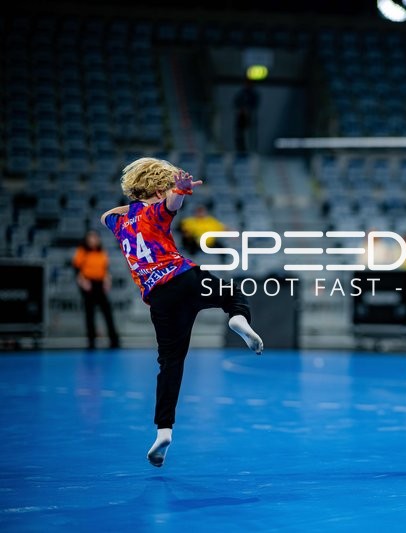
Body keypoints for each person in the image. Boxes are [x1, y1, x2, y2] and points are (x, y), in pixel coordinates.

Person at [100, 157, 264, 468]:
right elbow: (170, 206)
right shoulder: (156, 212)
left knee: (170, 364)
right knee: (232, 294)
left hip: (159, 299)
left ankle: (163, 431)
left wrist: (137, 204)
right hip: (183, 279)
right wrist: (176, 191)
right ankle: (238, 318)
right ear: (156, 190)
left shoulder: (120, 223)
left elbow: (105, 214)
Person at [72, 229, 120, 349]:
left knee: (107, 313)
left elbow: (106, 269)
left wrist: (107, 281)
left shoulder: (102, 252)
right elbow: (77, 269)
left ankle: (114, 341)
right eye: (91, 238)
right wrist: (83, 282)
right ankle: (91, 341)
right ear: (87, 240)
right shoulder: (82, 251)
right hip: (88, 284)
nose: (93, 240)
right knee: (90, 314)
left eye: (95, 238)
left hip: (100, 284)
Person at [234, 78, 260, 152]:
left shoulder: (253, 94)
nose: (247, 85)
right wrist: (241, 110)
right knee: (240, 136)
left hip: (250, 117)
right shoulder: (241, 93)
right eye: (246, 84)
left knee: (251, 135)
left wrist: (248, 110)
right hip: (241, 118)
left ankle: (252, 151)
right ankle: (241, 151)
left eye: (249, 84)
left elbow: (255, 104)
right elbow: (236, 103)